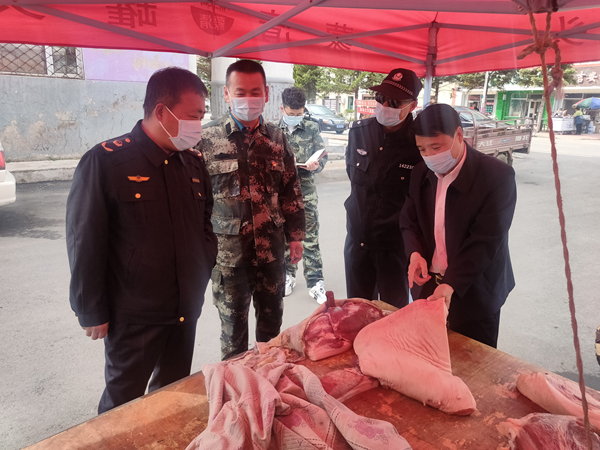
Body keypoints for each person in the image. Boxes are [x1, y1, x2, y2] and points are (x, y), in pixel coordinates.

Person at [66, 67, 218, 414]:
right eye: (194, 115)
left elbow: (204, 223)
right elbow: (85, 239)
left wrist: (202, 265)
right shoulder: (107, 161)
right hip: (135, 313)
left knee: (173, 396)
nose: (199, 125)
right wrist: (90, 308)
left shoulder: (192, 162)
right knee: (122, 403)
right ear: (162, 112)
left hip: (184, 307)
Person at [198, 60, 305, 360]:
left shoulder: (277, 139)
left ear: (267, 93)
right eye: (240, 92)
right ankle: (236, 386)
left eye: (255, 92)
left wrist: (296, 236)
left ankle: (267, 382)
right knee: (233, 336)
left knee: (271, 335)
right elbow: (195, 202)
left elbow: (291, 190)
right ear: (227, 94)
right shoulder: (206, 140)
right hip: (229, 258)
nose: (248, 99)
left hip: (271, 253)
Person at [400, 103, 517, 348]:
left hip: (476, 290)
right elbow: (409, 221)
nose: (430, 156)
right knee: (429, 355)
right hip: (428, 287)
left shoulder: (496, 176)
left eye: (436, 147)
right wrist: (415, 254)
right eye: (422, 149)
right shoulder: (420, 173)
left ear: (459, 135)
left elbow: (485, 241)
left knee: (474, 359)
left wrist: (450, 284)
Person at [344, 68, 423, 309]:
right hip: (358, 244)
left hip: (394, 250)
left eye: (395, 102)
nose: (385, 105)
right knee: (356, 312)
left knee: (392, 315)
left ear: (412, 106)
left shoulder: (418, 143)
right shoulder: (359, 132)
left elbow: (420, 200)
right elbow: (354, 180)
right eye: (381, 98)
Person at [278, 87, 328, 304]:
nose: (295, 117)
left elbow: (322, 155)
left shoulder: (312, 127)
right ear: (282, 109)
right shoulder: (272, 131)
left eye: (299, 114)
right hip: (281, 195)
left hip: (305, 193)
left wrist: (317, 165)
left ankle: (315, 282)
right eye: (292, 113)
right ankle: (288, 275)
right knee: (284, 239)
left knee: (310, 239)